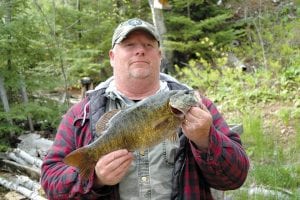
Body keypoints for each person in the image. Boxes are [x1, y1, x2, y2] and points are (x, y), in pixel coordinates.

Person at [41, 18, 249, 200]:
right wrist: (95, 179)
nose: (140, 50)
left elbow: (235, 177)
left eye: (148, 45)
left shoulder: (197, 105)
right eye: (129, 44)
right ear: (112, 57)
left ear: (159, 55)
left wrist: (206, 139)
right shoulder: (81, 114)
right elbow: (51, 182)